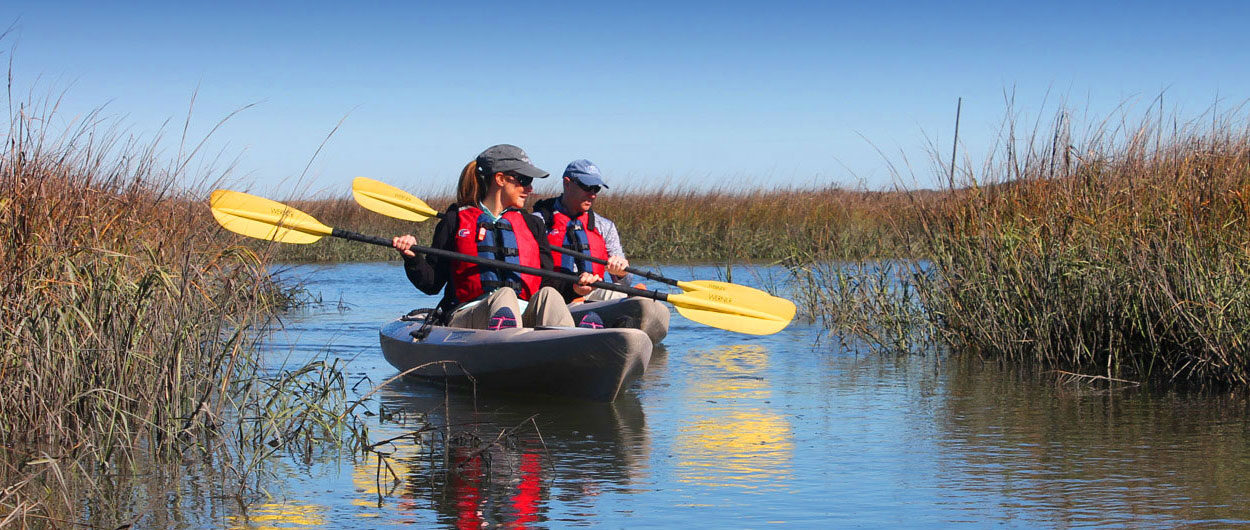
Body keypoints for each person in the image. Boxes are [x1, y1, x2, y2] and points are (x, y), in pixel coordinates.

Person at [391, 144, 603, 329]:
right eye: (524, 180)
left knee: (549, 296)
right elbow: (432, 284)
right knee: (505, 295)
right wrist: (412, 258)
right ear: (500, 179)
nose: (530, 188)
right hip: (468, 315)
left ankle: (575, 343)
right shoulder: (455, 220)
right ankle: (507, 343)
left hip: (522, 317)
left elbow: (547, 281)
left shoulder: (532, 224)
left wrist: (575, 287)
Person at [531, 159, 630, 302]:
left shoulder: (605, 226)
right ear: (567, 183)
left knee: (623, 297)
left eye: (596, 188)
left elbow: (625, 284)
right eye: (587, 187)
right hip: (552, 295)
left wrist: (622, 274)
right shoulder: (537, 222)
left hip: (592, 292)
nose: (593, 194)